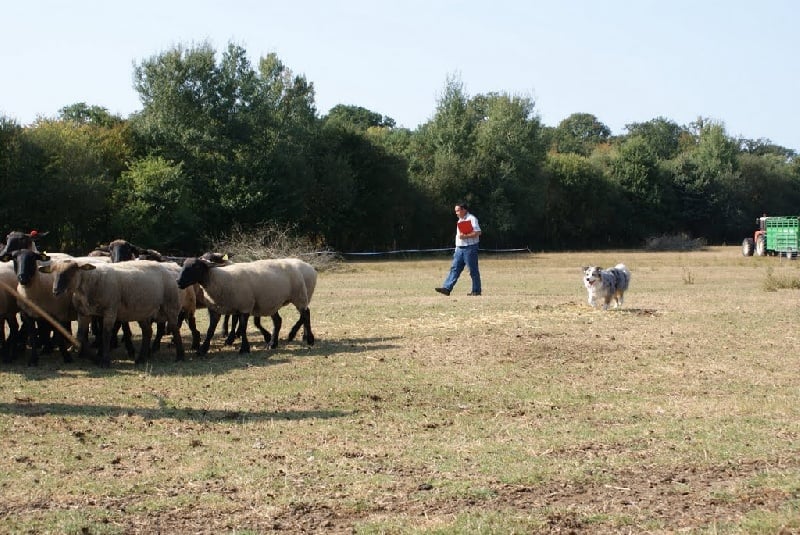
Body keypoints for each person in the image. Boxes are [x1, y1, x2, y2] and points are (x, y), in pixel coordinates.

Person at [435, 202, 482, 296]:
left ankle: (476, 291)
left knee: (473, 270)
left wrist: (465, 236)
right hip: (459, 249)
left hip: (470, 248)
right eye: (455, 211)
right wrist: (457, 248)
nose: (456, 213)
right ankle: (447, 288)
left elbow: (478, 232)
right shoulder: (460, 220)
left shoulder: (472, 218)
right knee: (454, 268)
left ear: (464, 210)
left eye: (458, 210)